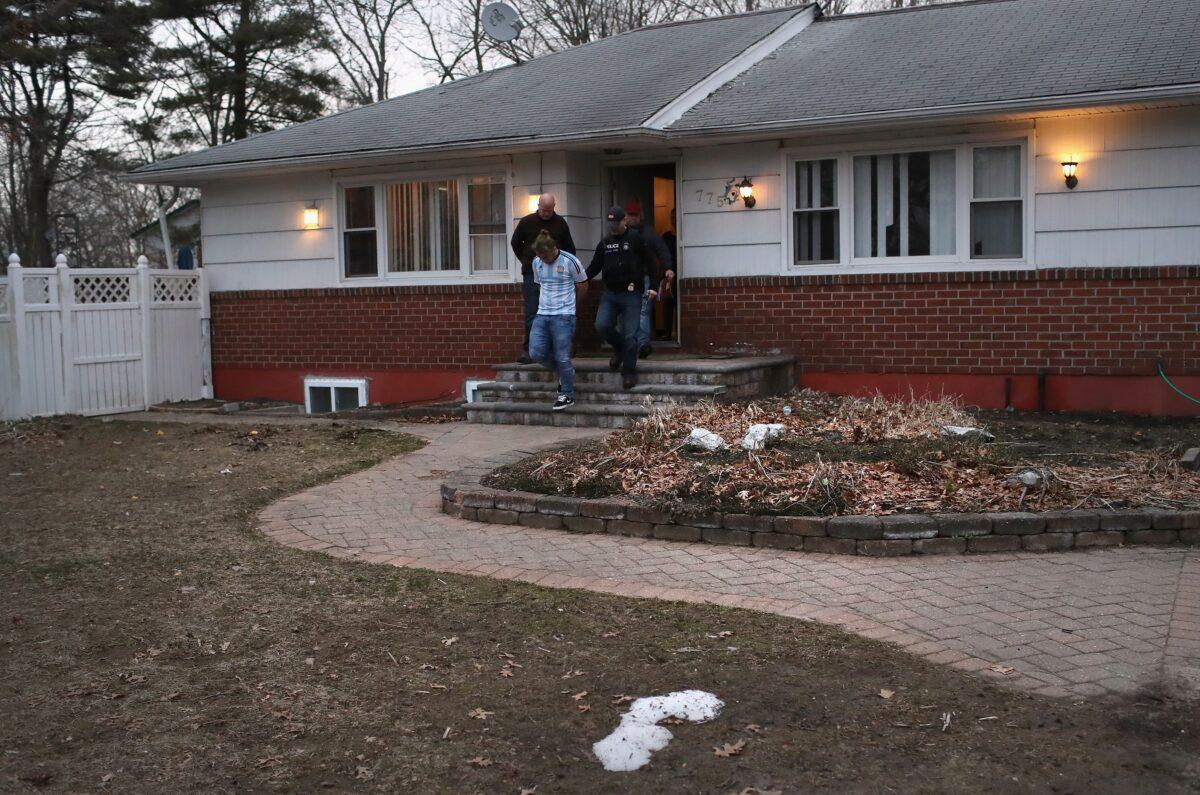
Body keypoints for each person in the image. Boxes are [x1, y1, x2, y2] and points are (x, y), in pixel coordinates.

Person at [586, 207, 660, 390]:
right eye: (609, 223)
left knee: (630, 334)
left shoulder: (636, 239)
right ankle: (619, 348)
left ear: (623, 221)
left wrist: (653, 287)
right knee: (601, 325)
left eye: (615, 223)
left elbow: (651, 262)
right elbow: (594, 267)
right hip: (610, 293)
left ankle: (629, 372)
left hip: (632, 292)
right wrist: (579, 278)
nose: (612, 226)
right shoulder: (605, 243)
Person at [510, 193, 577, 364]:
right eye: (543, 209)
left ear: (554, 207)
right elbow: (515, 243)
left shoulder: (560, 223)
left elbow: (570, 248)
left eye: (550, 210)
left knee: (557, 312)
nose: (546, 213)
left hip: (556, 272)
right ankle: (528, 349)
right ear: (538, 205)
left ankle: (558, 348)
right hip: (533, 272)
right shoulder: (526, 222)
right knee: (532, 311)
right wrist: (526, 260)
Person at [528, 230, 588, 411]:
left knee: (563, 356)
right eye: (539, 256)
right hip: (543, 313)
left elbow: (583, 285)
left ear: (554, 248)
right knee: (536, 352)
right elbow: (539, 285)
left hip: (564, 314)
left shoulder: (570, 261)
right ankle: (566, 373)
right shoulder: (536, 262)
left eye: (545, 256)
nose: (543, 259)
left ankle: (567, 394)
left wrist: (573, 308)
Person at [622, 199, 674, 358]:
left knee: (643, 311)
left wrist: (668, 268)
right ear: (625, 216)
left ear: (640, 216)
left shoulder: (649, 233)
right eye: (630, 215)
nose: (632, 218)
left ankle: (643, 344)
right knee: (628, 311)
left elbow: (662, 250)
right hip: (625, 278)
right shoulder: (620, 233)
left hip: (644, 276)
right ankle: (630, 343)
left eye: (635, 215)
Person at [659, 208, 678, 341]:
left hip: (681, 271)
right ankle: (667, 332)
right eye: (671, 217)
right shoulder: (666, 237)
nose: (673, 219)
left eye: (675, 217)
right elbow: (661, 254)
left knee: (678, 301)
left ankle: (677, 332)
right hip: (668, 272)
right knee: (667, 300)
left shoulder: (683, 236)